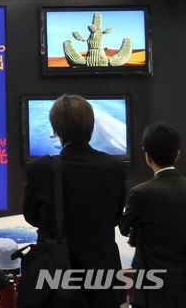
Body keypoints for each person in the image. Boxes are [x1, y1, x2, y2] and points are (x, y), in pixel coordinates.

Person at [23, 94, 126, 308]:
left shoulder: (40, 168)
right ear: (91, 126)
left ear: (56, 129)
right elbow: (116, 217)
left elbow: (31, 216)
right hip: (103, 277)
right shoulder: (114, 167)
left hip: (55, 280)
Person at [119, 122, 186, 307]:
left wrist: (136, 232)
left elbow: (124, 227)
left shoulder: (140, 193)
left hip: (151, 288)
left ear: (147, 157)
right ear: (177, 154)